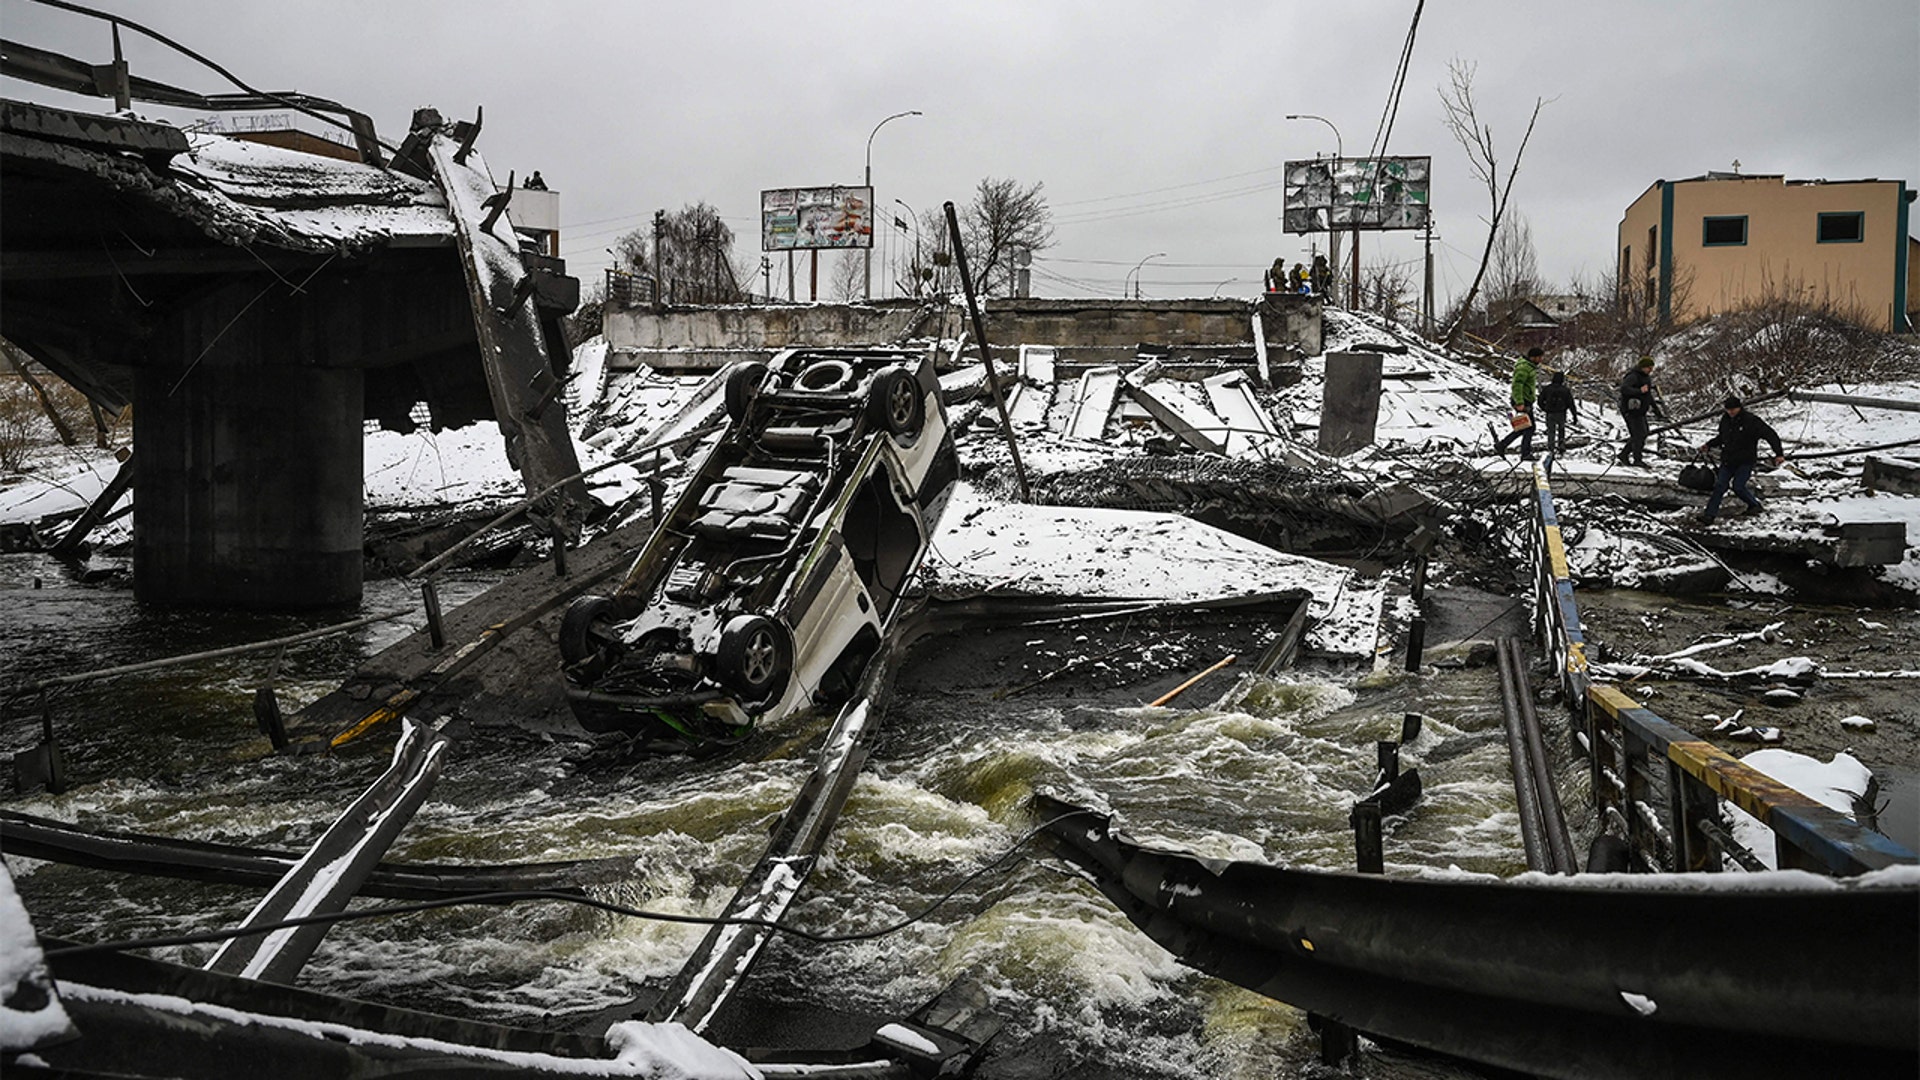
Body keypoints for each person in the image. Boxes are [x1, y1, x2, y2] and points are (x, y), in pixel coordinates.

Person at [1698, 395, 1785, 524]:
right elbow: (1722, 437)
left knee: (1738, 486)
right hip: (1728, 460)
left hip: (1746, 460)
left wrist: (1778, 453)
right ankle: (1709, 516)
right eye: (1728, 409)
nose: (1731, 412)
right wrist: (1709, 444)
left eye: (1733, 409)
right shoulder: (1725, 420)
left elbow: (1770, 434)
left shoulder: (1751, 421)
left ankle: (1754, 504)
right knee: (1720, 486)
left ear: (1739, 408)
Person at [1493, 347, 1542, 459]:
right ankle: (1525, 453)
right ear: (1532, 357)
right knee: (1530, 427)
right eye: (1539, 357)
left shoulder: (1529, 367)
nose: (1540, 360)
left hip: (1525, 400)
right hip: (1522, 401)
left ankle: (1502, 445)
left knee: (1524, 426)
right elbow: (1517, 385)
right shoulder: (1524, 368)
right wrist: (1520, 402)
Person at [1616, 355, 1661, 466]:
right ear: (1643, 367)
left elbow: (1648, 395)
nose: (1651, 370)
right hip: (1631, 410)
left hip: (1640, 411)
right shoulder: (1633, 376)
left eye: (1652, 368)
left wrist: (1656, 409)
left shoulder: (1646, 378)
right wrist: (1639, 390)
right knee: (1638, 435)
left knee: (1642, 433)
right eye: (1649, 368)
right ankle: (1637, 459)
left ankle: (1624, 454)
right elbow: (1624, 389)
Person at [1537, 368, 1577, 455]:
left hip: (1550, 413)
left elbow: (1540, 400)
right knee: (1561, 430)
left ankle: (1551, 448)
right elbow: (1571, 404)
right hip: (1561, 413)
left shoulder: (1547, 389)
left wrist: (1544, 408)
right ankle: (1561, 446)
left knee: (1551, 431)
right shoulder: (1565, 390)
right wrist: (1574, 416)